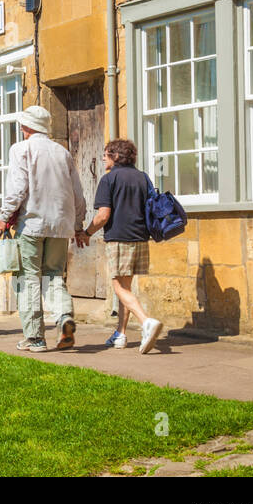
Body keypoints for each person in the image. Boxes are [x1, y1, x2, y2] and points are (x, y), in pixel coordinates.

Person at [0, 105, 87, 353]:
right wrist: (78, 225)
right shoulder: (62, 152)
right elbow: (78, 195)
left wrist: (4, 216)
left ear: (27, 127)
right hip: (60, 225)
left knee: (27, 280)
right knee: (53, 275)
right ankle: (63, 316)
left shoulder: (21, 149)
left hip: (31, 224)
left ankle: (35, 338)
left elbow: (17, 189)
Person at [82, 139, 164, 353]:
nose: (102, 157)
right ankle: (121, 334)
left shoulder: (109, 179)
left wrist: (87, 233)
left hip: (120, 238)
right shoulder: (143, 177)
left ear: (116, 156)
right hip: (141, 238)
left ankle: (146, 322)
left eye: (106, 153)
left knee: (118, 287)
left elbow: (103, 215)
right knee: (125, 288)